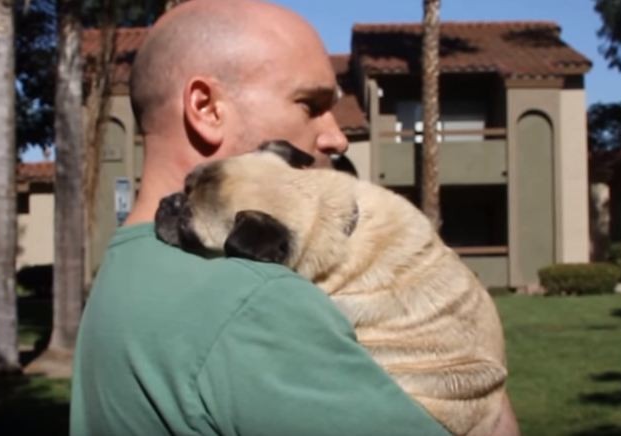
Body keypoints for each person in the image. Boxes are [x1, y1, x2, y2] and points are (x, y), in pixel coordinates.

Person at [70, 1, 519, 435]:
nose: (338, 137)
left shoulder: (126, 267)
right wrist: (485, 387)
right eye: (310, 104)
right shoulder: (258, 302)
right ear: (206, 108)